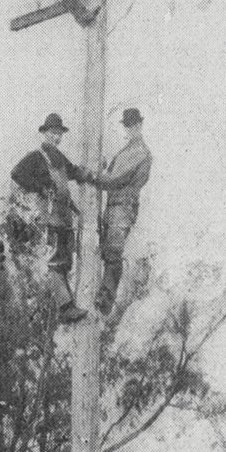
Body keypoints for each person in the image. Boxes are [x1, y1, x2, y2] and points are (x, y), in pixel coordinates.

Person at [11, 113, 93, 324]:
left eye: (59, 134)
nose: (56, 138)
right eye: (53, 133)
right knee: (56, 262)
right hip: (50, 218)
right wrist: (40, 187)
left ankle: (69, 305)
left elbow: (73, 171)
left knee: (65, 262)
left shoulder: (59, 157)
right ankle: (65, 307)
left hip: (64, 218)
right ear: (45, 133)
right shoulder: (37, 157)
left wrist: (89, 174)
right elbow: (17, 174)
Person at [95, 108, 152, 315]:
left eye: (134, 125)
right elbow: (111, 175)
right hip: (114, 205)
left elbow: (115, 178)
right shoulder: (127, 150)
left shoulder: (139, 151)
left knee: (113, 252)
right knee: (105, 250)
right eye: (127, 126)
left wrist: (95, 176)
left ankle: (106, 298)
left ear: (139, 126)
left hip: (123, 206)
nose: (130, 129)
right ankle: (102, 295)